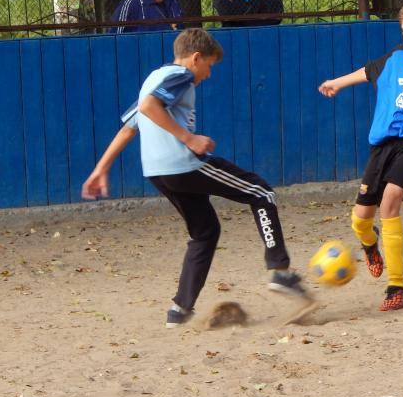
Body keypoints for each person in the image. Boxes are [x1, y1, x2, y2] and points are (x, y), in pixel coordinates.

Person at [81, 28, 314, 327]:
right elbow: (149, 107)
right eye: (209, 65)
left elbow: (130, 126)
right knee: (261, 193)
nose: (208, 74)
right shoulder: (181, 75)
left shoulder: (154, 78)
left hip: (157, 173)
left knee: (205, 232)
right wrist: (188, 138)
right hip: (183, 164)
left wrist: (101, 168)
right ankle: (281, 273)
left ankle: (179, 311)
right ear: (195, 58)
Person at [318, 0, 403, 311]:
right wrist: (337, 83)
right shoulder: (396, 56)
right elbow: (369, 71)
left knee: (390, 201)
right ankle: (370, 244)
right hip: (382, 144)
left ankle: (397, 287)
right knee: (360, 220)